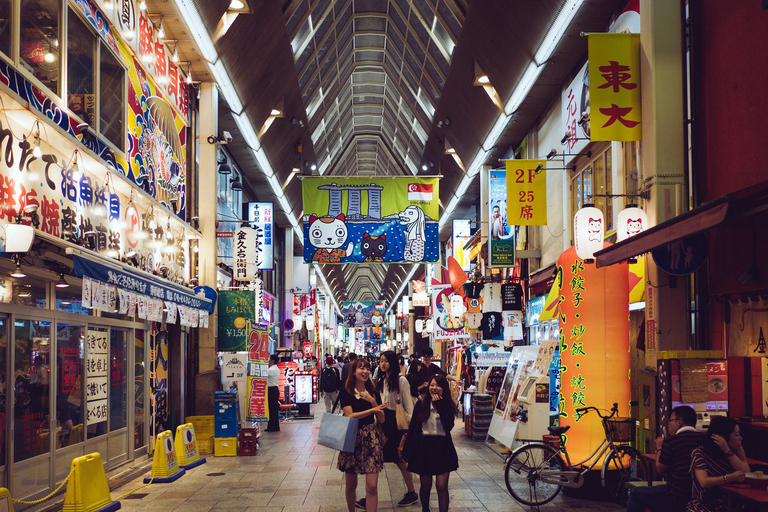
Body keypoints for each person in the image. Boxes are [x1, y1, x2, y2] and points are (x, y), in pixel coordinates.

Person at [357, 351, 417, 510]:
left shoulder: (401, 380)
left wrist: (410, 427)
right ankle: (370, 494)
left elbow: (408, 405)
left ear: (392, 362)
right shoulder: (382, 380)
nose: (383, 364)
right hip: (382, 421)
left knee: (399, 459)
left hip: (396, 423)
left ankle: (411, 491)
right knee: (375, 459)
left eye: (386, 361)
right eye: (381, 361)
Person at [626, 406, 701, 512]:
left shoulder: (671, 441)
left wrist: (659, 448)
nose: (669, 424)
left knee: (636, 493)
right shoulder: (704, 439)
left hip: (678, 495)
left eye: (670, 420)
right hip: (701, 496)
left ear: (679, 422)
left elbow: (661, 470)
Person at [338, 358, 388, 512]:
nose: (365, 371)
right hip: (351, 437)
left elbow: (382, 419)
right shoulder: (346, 391)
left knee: (372, 486)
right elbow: (350, 416)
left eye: (367, 368)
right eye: (361, 368)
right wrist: (372, 410)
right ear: (354, 371)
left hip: (371, 438)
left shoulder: (373, 391)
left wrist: (373, 402)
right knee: (351, 484)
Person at [402, 375, 458, 512]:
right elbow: (413, 428)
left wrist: (439, 406)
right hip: (424, 447)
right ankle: (425, 509)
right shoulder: (421, 404)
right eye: (432, 385)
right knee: (425, 485)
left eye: (437, 385)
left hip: (443, 447)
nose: (434, 388)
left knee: (441, 485)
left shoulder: (448, 404)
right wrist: (407, 449)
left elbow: (448, 426)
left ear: (443, 388)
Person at [686, 416, 750, 512]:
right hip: (705, 504)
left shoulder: (735, 450)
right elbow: (704, 482)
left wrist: (728, 451)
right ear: (723, 438)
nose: (740, 438)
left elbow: (746, 473)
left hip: (730, 503)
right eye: (737, 435)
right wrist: (729, 477)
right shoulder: (699, 453)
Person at [265, 354, 280, 432]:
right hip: (275, 389)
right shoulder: (276, 368)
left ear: (273, 360)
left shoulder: (271, 370)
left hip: (271, 390)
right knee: (274, 409)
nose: (268, 361)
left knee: (271, 409)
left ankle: (271, 427)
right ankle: (275, 426)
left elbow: (263, 376)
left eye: (269, 359)